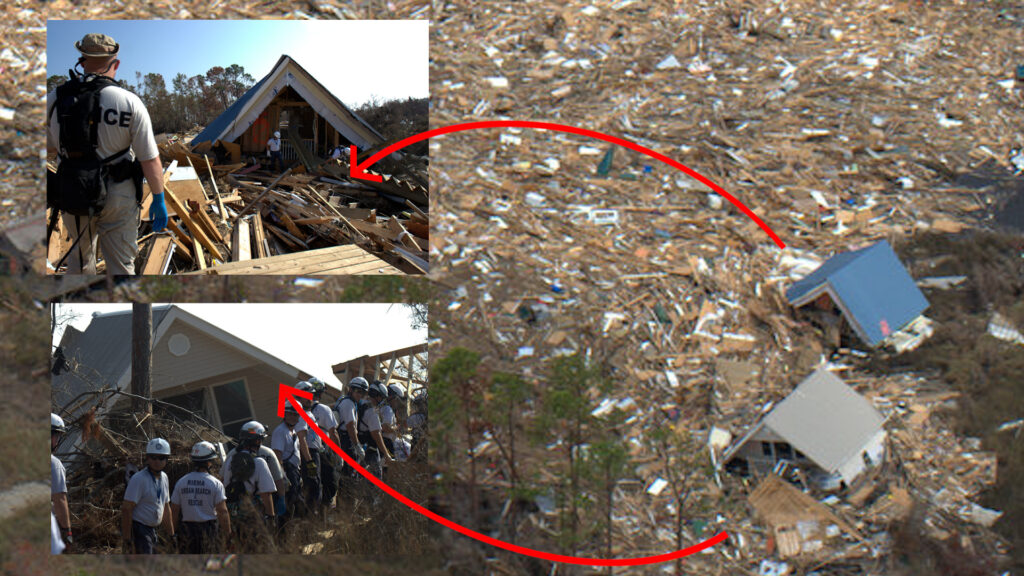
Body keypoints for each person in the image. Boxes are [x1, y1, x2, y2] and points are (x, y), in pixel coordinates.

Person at [46, 33, 166, 275]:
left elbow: (48, 148)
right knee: (122, 268)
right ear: (115, 63)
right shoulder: (129, 101)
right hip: (118, 196)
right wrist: (159, 198)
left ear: (82, 59)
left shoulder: (55, 99)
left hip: (74, 193)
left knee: (79, 266)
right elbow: (149, 159)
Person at [222, 423, 278, 552]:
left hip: (234, 515)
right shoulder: (259, 462)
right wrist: (271, 517)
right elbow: (266, 494)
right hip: (253, 515)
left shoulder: (230, 460)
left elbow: (224, 484)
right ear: (257, 441)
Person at [170, 441, 229, 554]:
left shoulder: (181, 482)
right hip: (209, 531)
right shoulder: (215, 483)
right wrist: (227, 534)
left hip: (187, 531)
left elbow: (174, 510)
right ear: (209, 462)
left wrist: (172, 534)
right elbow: (222, 511)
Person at [122, 438, 175, 554]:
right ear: (147, 458)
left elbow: (166, 508)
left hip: (152, 531)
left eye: (161, 458)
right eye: (153, 457)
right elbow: (126, 508)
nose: (157, 461)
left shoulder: (164, 478)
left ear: (167, 459)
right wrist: (127, 539)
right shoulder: (139, 479)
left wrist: (172, 535)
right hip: (139, 530)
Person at [306, 377, 341, 511]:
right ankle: (324, 512)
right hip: (322, 452)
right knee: (329, 483)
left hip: (305, 452)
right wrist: (339, 454)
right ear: (320, 393)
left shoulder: (297, 409)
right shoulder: (324, 409)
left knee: (313, 484)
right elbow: (333, 433)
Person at [333, 377, 369, 508]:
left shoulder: (343, 400)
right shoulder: (349, 403)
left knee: (345, 476)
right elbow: (350, 426)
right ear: (351, 390)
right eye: (358, 391)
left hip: (344, 439)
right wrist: (357, 445)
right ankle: (345, 509)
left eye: (363, 393)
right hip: (346, 440)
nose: (360, 395)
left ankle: (342, 508)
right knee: (349, 477)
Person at [271, 403, 309, 521]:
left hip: (295, 471)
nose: (293, 417)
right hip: (287, 471)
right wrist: (282, 476)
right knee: (292, 502)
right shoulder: (280, 431)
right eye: (290, 414)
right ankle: (286, 533)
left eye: (296, 415)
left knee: (298, 500)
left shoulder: (293, 432)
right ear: (284, 414)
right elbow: (277, 455)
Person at [357, 381, 396, 484]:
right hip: (370, 448)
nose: (382, 400)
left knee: (357, 477)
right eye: (381, 397)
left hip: (357, 445)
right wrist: (387, 455)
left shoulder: (359, 404)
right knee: (375, 481)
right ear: (377, 396)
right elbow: (377, 434)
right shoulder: (372, 412)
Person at [50, 414, 72, 550]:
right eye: (57, 436)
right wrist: (67, 531)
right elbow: (60, 500)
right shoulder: (53, 464)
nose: (57, 441)